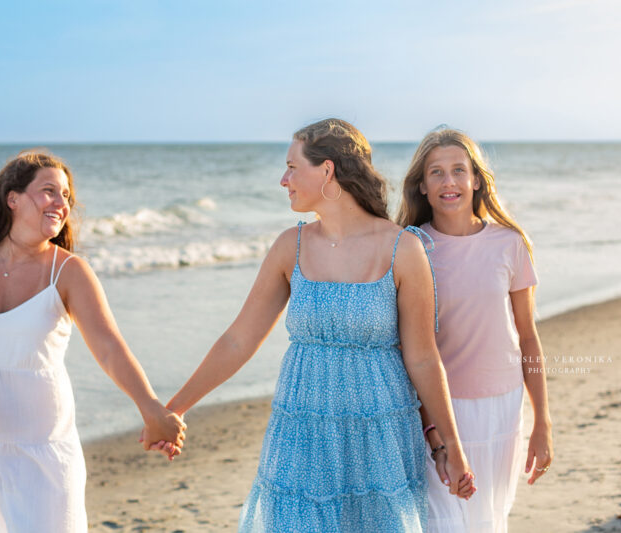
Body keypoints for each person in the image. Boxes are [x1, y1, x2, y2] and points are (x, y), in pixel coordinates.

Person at [152, 119, 474, 532]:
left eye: (292, 166)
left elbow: (424, 358)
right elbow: (238, 339)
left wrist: (451, 445)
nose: (283, 179)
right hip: (303, 432)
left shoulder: (403, 249)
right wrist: (174, 408)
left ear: (327, 171)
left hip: (377, 435)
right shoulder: (291, 246)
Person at [0, 150, 186, 533]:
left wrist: (150, 406)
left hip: (45, 450)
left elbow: (109, 348)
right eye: (49, 191)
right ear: (12, 198)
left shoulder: (69, 272)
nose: (62, 203)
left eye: (66, 195)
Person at [397, 127, 554, 532]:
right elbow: (407, 349)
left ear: (476, 180)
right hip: (440, 410)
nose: (449, 182)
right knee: (442, 523)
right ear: (422, 187)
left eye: (458, 170)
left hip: (503, 407)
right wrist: (433, 434)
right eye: (436, 173)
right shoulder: (410, 248)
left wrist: (542, 424)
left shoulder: (510, 243)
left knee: (489, 521)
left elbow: (528, 338)